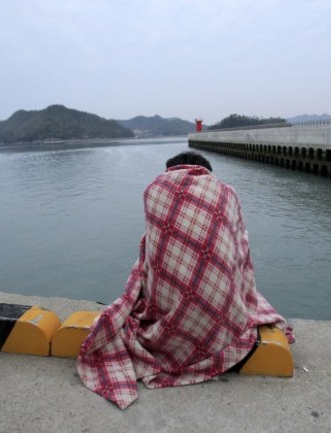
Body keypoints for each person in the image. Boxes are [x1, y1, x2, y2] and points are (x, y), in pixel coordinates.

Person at [77, 151, 293, 409]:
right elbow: (241, 256)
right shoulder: (227, 194)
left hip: (167, 319)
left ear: (170, 170)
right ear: (207, 172)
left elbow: (151, 256)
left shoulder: (153, 190)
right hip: (224, 321)